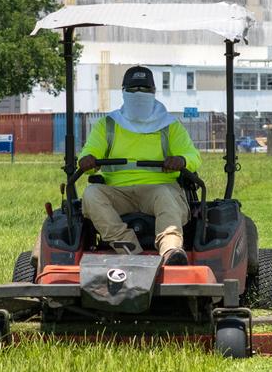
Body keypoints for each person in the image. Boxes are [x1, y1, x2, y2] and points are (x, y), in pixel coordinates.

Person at [77, 65, 202, 265]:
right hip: (117, 191)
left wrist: (181, 160)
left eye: (144, 90)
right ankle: (127, 246)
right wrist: (87, 160)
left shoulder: (170, 126)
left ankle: (171, 249)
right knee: (91, 194)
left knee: (165, 195)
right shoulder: (107, 125)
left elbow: (193, 155)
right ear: (124, 93)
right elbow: (89, 154)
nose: (138, 95)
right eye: (133, 90)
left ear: (153, 93)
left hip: (159, 189)